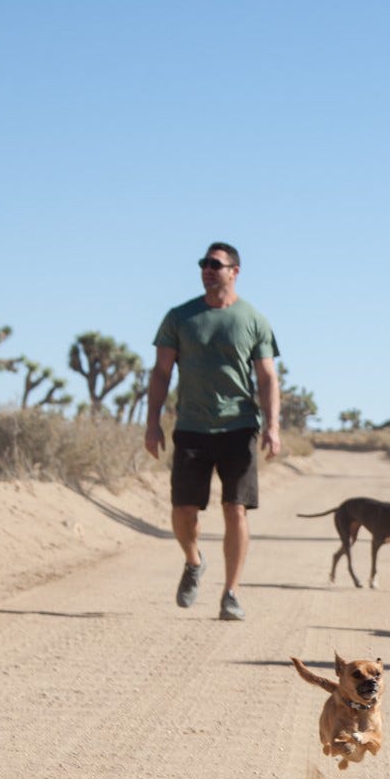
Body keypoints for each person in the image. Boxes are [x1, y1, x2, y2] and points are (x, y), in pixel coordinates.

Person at [144, 242, 282, 621]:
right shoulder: (180, 317)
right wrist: (152, 422)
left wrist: (272, 425)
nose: (207, 269)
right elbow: (161, 372)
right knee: (183, 510)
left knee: (235, 508)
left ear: (234, 271)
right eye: (204, 263)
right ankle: (193, 561)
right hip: (191, 426)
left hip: (239, 427)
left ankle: (231, 593)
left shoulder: (252, 319)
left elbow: (267, 375)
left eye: (215, 264)